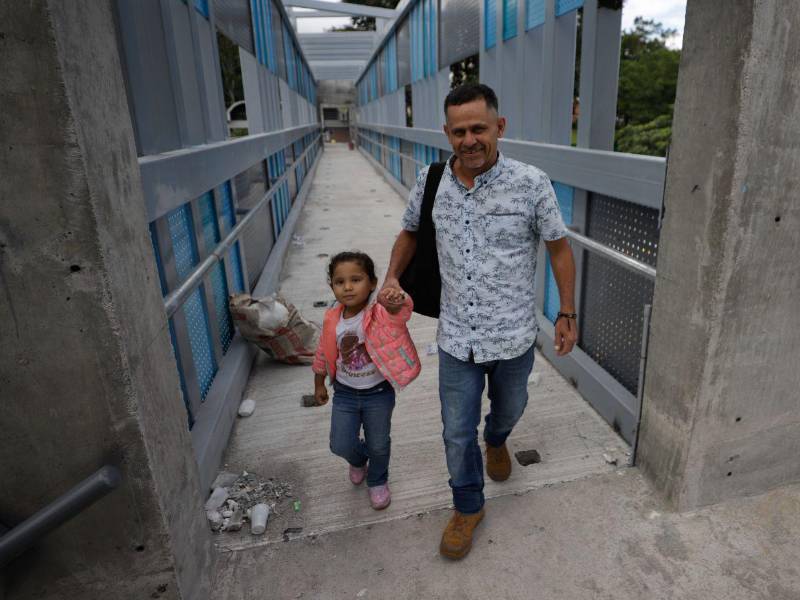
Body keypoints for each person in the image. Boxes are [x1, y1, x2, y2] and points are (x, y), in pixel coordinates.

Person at [379, 83, 578, 558]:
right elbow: (409, 232)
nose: (469, 140)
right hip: (456, 338)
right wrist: (390, 276)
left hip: (513, 337)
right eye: (459, 131)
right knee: (453, 430)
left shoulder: (531, 183)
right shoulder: (430, 182)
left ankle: (498, 437)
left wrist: (566, 311)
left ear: (499, 128)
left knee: (510, 408)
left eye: (479, 129)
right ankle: (468, 506)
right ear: (446, 133)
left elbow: (558, 248)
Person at [312, 251, 421, 510]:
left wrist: (396, 299)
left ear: (372, 283)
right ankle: (359, 459)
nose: (348, 287)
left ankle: (378, 480)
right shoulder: (332, 320)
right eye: (340, 282)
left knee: (379, 443)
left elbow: (402, 311)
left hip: (378, 392)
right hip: (345, 393)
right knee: (340, 443)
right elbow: (322, 353)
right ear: (332, 286)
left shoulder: (380, 313)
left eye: (356, 279)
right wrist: (319, 382)